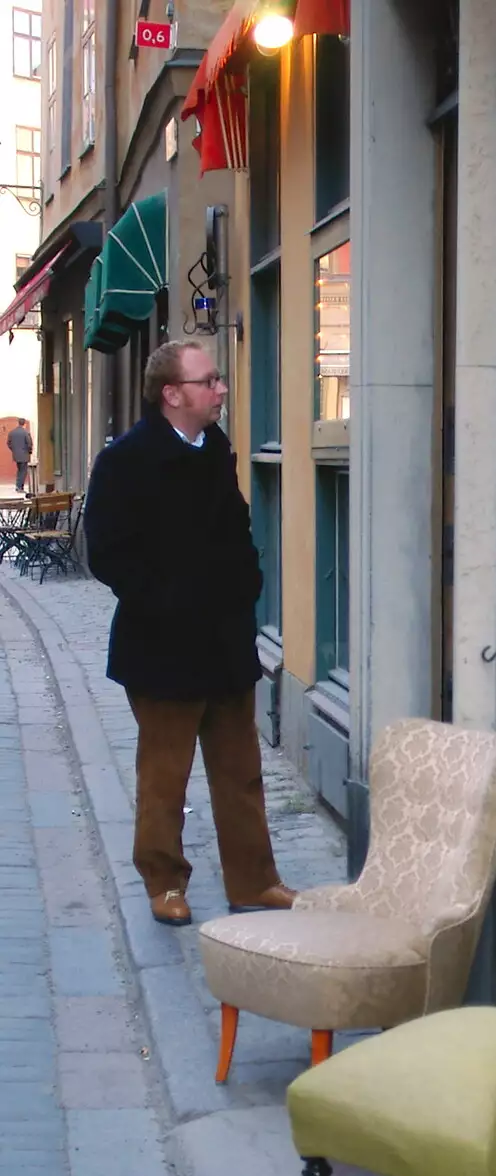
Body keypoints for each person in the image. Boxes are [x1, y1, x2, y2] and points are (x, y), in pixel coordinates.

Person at [84, 340, 296, 926]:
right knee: (164, 775)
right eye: (210, 381)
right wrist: (165, 600)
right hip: (161, 644)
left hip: (225, 640)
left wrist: (246, 582)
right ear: (173, 394)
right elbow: (106, 550)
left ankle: (255, 882)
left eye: (219, 380)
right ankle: (164, 883)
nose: (221, 389)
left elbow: (234, 526)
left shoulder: (217, 448)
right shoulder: (126, 459)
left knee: (240, 772)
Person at [7, 418, 32, 493]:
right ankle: (19, 487)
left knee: (19, 470)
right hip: (24, 455)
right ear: (24, 424)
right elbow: (29, 443)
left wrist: (13, 450)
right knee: (23, 471)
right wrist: (29, 451)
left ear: (18, 423)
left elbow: (8, 443)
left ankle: (18, 486)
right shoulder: (25, 432)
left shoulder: (12, 432)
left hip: (16, 455)